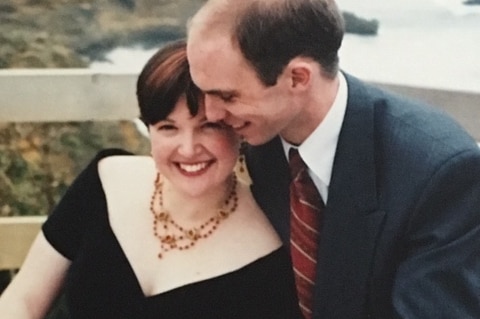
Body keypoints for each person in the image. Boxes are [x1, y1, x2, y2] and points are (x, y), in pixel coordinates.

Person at [186, 0, 480, 318]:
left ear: (298, 78)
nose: (212, 113)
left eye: (228, 96)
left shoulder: (438, 172)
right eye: (203, 92)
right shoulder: (246, 144)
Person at [0, 40, 302, 319]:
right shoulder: (107, 180)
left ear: (237, 127)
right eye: (168, 128)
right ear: (149, 129)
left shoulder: (273, 243)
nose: (188, 149)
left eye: (208, 127)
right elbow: (23, 299)